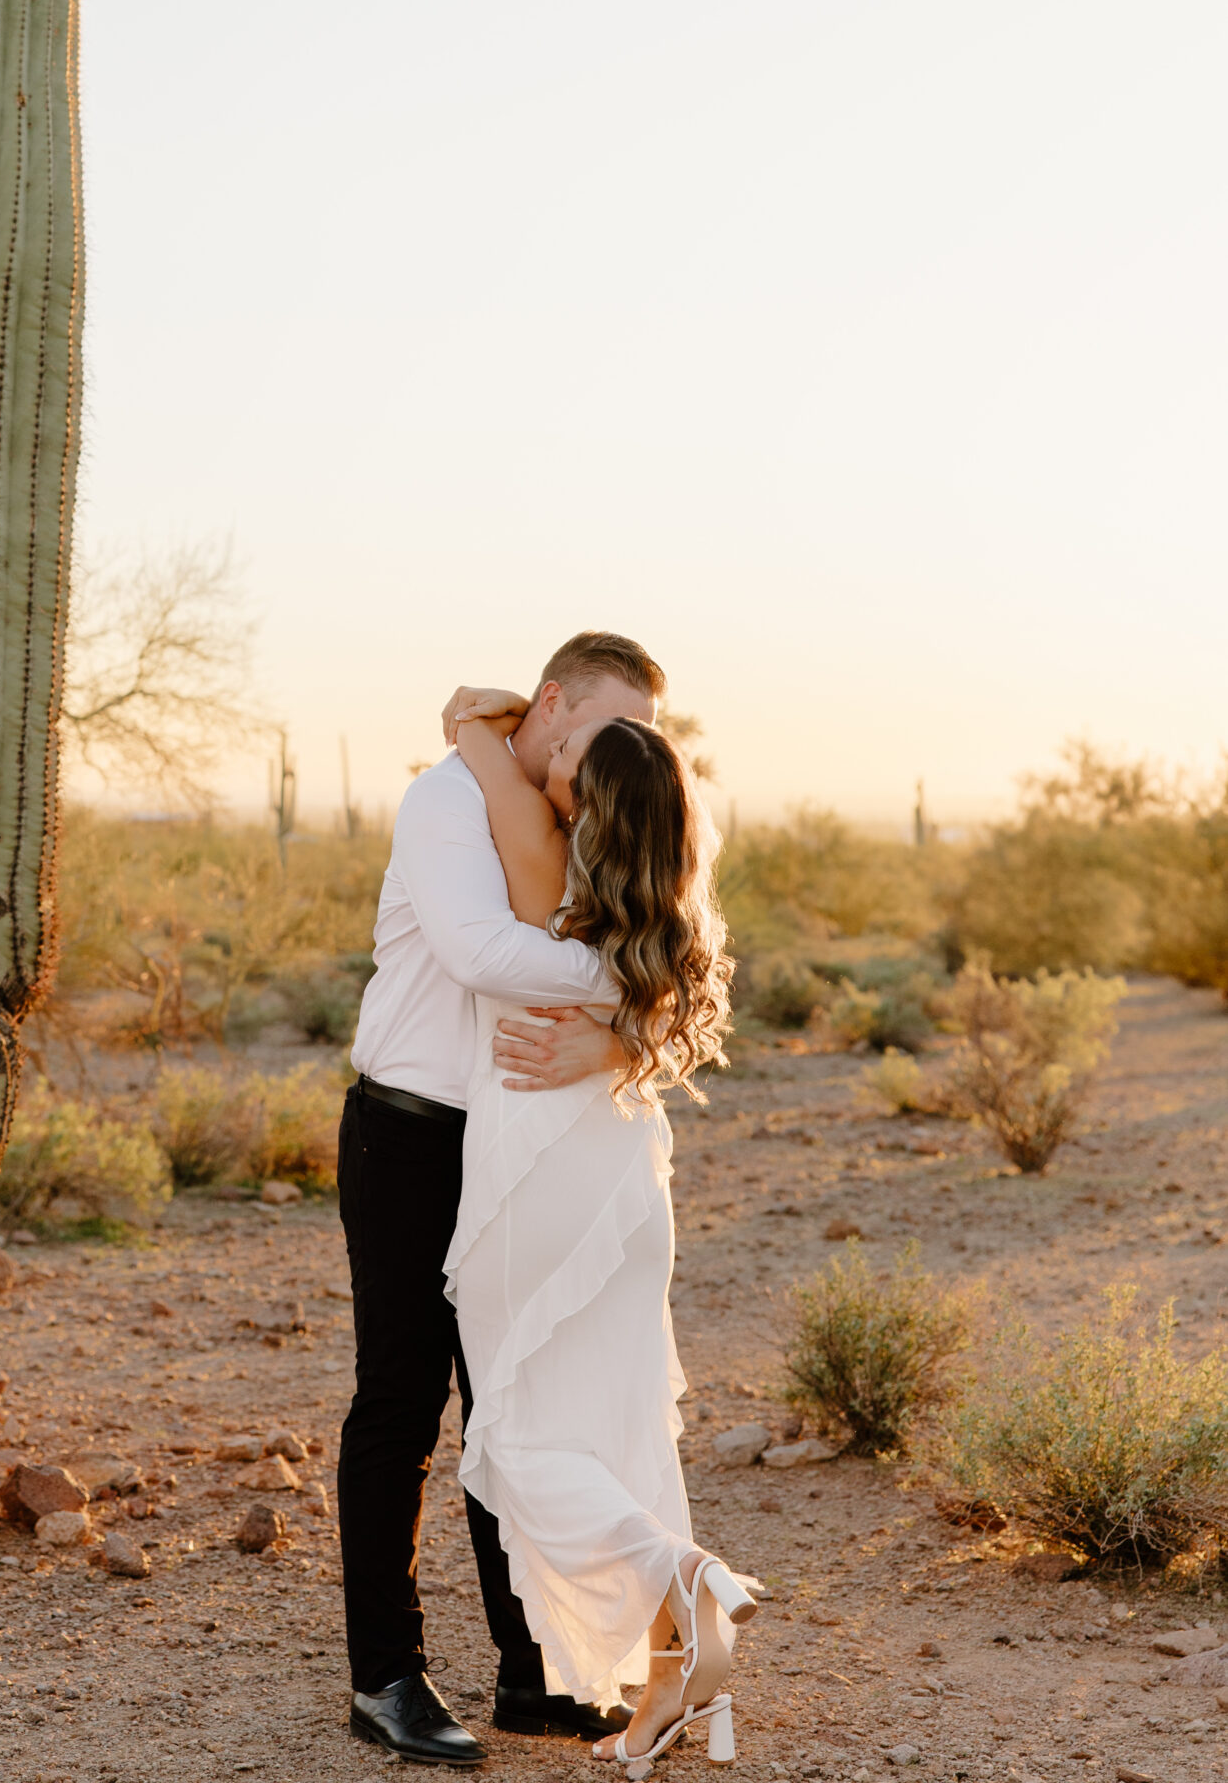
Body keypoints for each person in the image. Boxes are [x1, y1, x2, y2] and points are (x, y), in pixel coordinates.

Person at [339, 633, 664, 1767]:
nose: (607, 753)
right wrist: (635, 989)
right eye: (594, 730)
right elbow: (481, 951)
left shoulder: (583, 812)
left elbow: (649, 916)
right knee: (400, 1404)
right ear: (554, 701)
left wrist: (627, 1023)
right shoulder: (445, 802)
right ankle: (385, 1675)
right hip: (411, 1136)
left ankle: (534, 1674)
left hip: (520, 1152)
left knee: (515, 1406)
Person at [443, 694, 755, 1774]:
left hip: (538, 1176)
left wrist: (471, 721)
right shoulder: (669, 922)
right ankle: (670, 1689)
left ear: (595, 798)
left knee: (517, 1435)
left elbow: (477, 749)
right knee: (621, 1429)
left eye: (567, 748)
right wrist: (622, 1041)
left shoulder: (542, 857)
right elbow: (667, 1012)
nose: (548, 754)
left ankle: (687, 1580)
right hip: (623, 1176)